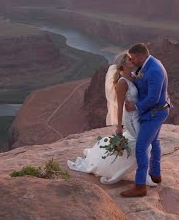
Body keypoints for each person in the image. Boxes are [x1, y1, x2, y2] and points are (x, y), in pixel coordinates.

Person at [66, 51, 158, 187]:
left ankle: (132, 171)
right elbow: (120, 106)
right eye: (129, 60)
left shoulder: (134, 76)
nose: (132, 61)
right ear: (123, 65)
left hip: (138, 116)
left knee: (140, 144)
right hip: (131, 119)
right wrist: (119, 126)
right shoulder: (122, 83)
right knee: (145, 145)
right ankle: (142, 177)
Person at [120, 42, 170, 198]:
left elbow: (153, 98)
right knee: (154, 142)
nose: (132, 61)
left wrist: (135, 106)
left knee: (141, 147)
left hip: (154, 113)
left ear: (141, 56)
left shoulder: (154, 70)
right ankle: (155, 174)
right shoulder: (149, 64)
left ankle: (140, 186)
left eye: (133, 58)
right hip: (155, 112)